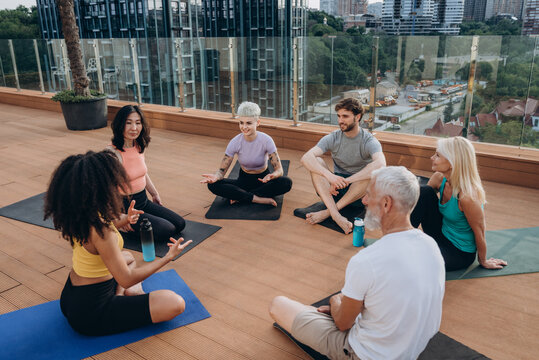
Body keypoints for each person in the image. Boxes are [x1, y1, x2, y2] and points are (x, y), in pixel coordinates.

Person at [269, 166, 445, 360]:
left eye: (369, 195)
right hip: (414, 347)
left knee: (278, 305)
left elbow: (343, 324)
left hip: (365, 354)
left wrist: (336, 303)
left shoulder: (367, 260)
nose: (364, 201)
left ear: (386, 204)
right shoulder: (431, 246)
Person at [44, 150, 193, 336]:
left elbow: (107, 225)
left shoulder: (81, 215)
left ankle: (123, 296)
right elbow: (126, 279)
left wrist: (126, 219)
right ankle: (122, 297)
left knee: (128, 257)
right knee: (175, 303)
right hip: (92, 312)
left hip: (71, 297)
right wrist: (168, 257)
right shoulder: (102, 232)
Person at [411, 136, 508, 271]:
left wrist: (483, 260)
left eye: (437, 155)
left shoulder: (467, 197)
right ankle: (400, 236)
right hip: (440, 233)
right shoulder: (439, 178)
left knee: (417, 259)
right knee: (424, 191)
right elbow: (420, 205)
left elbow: (479, 231)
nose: (431, 158)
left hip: (459, 252)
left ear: (451, 162)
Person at [301, 98, 386, 234]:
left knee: (371, 174)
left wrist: (346, 181)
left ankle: (328, 213)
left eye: (345, 116)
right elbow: (306, 157)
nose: (340, 120)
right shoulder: (333, 137)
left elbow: (381, 164)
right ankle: (336, 215)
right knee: (316, 161)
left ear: (357, 117)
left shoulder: (369, 140)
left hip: (358, 194)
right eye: (339, 116)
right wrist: (330, 177)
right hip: (333, 191)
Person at [109, 105, 185, 242]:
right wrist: (119, 217)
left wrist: (154, 194)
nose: (134, 128)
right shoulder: (112, 154)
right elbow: (104, 190)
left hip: (143, 201)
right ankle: (121, 228)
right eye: (128, 123)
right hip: (125, 207)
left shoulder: (138, 146)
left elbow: (143, 173)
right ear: (120, 124)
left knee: (179, 223)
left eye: (138, 123)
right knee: (167, 229)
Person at [201, 101, 292, 206]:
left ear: (258, 123)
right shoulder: (235, 142)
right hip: (243, 181)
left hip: (263, 181)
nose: (244, 127)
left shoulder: (267, 140)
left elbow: (279, 170)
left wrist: (273, 176)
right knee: (212, 185)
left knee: (286, 182)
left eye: (248, 123)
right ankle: (258, 199)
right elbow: (221, 172)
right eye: (241, 122)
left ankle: (241, 196)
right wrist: (215, 177)